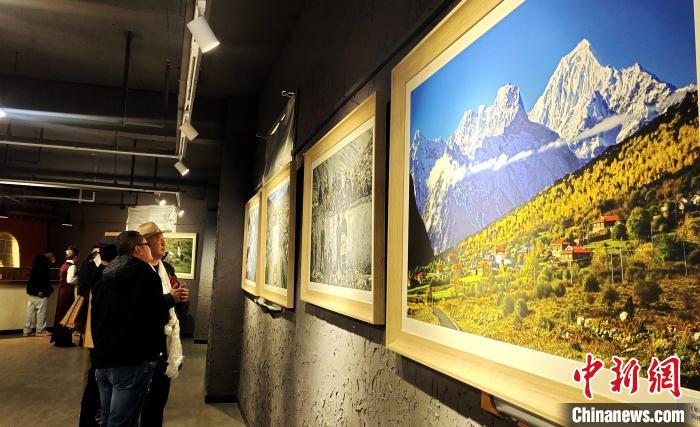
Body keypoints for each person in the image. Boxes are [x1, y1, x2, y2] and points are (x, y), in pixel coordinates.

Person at [91, 231, 168, 427]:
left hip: (103, 360)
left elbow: (97, 317)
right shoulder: (146, 275)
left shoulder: (104, 275)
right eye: (147, 245)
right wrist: (154, 355)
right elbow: (154, 318)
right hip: (130, 361)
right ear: (138, 249)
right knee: (123, 422)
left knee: (108, 420)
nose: (150, 248)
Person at [137, 222, 188, 427]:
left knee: (159, 397)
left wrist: (180, 299)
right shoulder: (138, 271)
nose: (163, 243)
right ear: (146, 244)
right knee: (139, 399)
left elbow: (173, 305)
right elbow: (140, 307)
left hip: (165, 341)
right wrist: (170, 299)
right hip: (144, 342)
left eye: (163, 239)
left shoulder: (167, 268)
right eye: (159, 239)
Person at [78, 243, 118, 427]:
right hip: (99, 339)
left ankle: (91, 416)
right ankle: (95, 416)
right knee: (96, 381)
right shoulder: (106, 276)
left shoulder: (97, 270)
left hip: (94, 337)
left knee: (94, 379)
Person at [23, 249, 56, 337]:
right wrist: (45, 291)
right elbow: (44, 279)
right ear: (49, 254)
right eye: (52, 255)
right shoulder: (44, 263)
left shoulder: (36, 261)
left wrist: (34, 290)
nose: (53, 257)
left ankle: (27, 330)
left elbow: (34, 277)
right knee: (41, 312)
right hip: (41, 292)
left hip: (32, 291)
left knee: (30, 312)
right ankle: (40, 330)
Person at [51, 246, 80, 347]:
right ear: (75, 257)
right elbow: (70, 280)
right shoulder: (72, 266)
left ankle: (59, 339)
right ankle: (65, 341)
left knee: (61, 314)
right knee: (67, 314)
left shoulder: (64, 265)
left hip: (62, 291)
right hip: (67, 292)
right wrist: (79, 278)